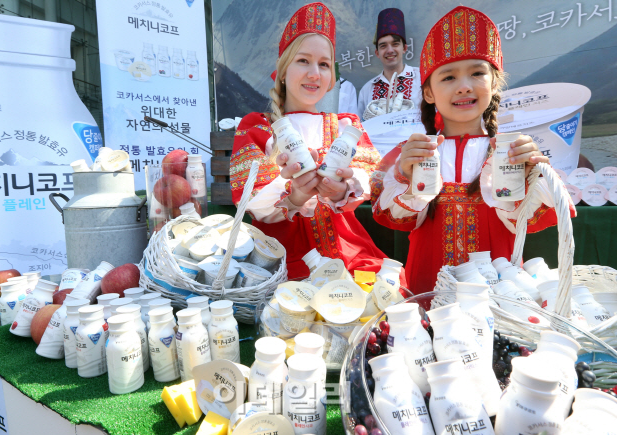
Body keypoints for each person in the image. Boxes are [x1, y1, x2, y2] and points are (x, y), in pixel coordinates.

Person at [369, 6, 576, 294]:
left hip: (501, 283)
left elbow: (524, 219)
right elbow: (397, 216)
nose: (465, 86)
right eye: (449, 77)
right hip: (429, 276)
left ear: (493, 83)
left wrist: (531, 177)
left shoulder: (510, 150)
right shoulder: (415, 152)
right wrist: (404, 175)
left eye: (477, 73)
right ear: (429, 92)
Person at [229, 2, 390, 280]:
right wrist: (295, 196)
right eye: (303, 60)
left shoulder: (345, 125)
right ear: (282, 70)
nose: (314, 73)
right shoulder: (258, 127)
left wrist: (341, 191)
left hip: (346, 251)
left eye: (324, 64)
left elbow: (372, 179)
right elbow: (251, 200)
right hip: (280, 256)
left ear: (331, 79)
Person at [357, 8, 422, 120]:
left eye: (395, 44)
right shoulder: (367, 89)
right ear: (377, 53)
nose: (390, 50)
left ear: (404, 48)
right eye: (383, 46)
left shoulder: (421, 79)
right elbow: (360, 126)